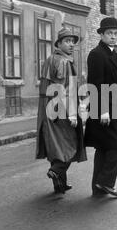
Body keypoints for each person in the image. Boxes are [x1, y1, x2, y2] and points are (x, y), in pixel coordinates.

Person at [84, 17, 117, 199]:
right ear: (102, 35)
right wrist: (103, 109)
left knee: (104, 147)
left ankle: (98, 188)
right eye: (109, 33)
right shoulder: (96, 54)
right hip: (104, 106)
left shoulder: (112, 53)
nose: (113, 36)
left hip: (113, 104)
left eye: (115, 33)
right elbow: (94, 84)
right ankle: (105, 181)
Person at [36, 28, 87, 194]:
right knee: (71, 144)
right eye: (67, 41)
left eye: (73, 41)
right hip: (62, 110)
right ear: (58, 44)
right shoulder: (65, 62)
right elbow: (68, 90)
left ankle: (60, 184)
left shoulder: (50, 60)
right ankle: (57, 171)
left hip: (48, 109)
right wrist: (72, 113)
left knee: (55, 145)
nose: (71, 45)